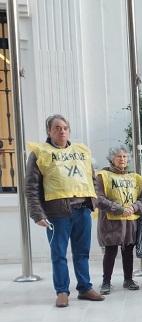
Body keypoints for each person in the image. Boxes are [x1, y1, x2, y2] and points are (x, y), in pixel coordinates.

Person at [25, 114, 104, 307]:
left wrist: (92, 200)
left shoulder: (81, 151)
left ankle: (85, 288)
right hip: (57, 213)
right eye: (57, 128)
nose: (62, 131)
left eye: (65, 128)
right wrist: (37, 214)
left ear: (69, 130)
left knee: (82, 252)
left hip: (82, 210)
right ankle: (62, 291)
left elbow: (92, 178)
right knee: (58, 253)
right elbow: (31, 187)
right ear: (49, 131)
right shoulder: (40, 153)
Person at [95, 145, 142, 295]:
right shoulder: (102, 175)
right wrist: (120, 209)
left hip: (130, 220)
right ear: (112, 159)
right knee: (110, 251)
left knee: (128, 250)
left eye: (124, 156)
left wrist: (134, 207)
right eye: (118, 156)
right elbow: (99, 198)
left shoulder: (135, 177)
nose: (122, 159)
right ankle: (106, 282)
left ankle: (128, 279)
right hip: (111, 220)